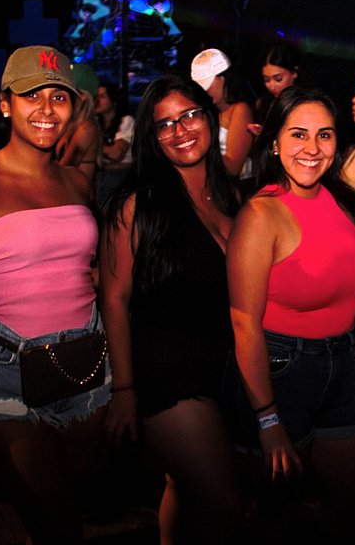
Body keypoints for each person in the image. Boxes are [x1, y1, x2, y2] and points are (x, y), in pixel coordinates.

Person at [0, 46, 110, 545]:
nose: (47, 110)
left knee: (61, 507)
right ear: (5, 104)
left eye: (59, 97)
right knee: (60, 525)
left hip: (85, 366)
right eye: (32, 96)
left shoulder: (75, 182)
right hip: (4, 371)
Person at [225, 86, 355, 536]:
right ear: (274, 142)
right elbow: (243, 322)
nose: (312, 148)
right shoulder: (261, 214)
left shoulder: (339, 201)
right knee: (279, 517)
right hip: (279, 372)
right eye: (298, 134)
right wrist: (268, 417)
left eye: (324, 135)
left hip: (341, 366)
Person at [100, 75, 242, 544]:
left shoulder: (232, 196)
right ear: (152, 137)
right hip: (167, 374)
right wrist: (124, 390)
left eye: (190, 115)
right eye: (164, 124)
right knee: (225, 504)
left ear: (210, 118)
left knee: (183, 485)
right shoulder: (135, 206)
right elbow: (114, 299)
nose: (180, 131)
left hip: (226, 368)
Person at [191, 48, 255, 179]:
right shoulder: (206, 111)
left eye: (207, 85)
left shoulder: (240, 110)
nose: (205, 91)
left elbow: (233, 167)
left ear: (223, 78)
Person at [56, 63, 102, 184]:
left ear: (83, 96)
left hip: (77, 193)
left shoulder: (86, 128)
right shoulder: (71, 123)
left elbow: (65, 168)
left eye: (68, 91)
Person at [94, 82, 135, 206]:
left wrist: (93, 146)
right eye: (96, 97)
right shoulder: (96, 123)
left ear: (114, 100)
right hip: (100, 176)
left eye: (102, 97)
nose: (97, 101)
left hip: (121, 177)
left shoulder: (126, 121)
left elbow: (116, 154)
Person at [252, 42, 302, 131]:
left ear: (294, 73)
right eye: (266, 80)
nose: (272, 86)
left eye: (278, 79)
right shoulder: (264, 103)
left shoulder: (306, 102)